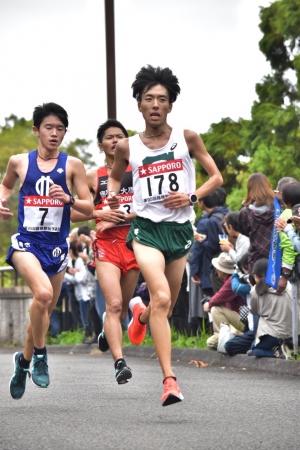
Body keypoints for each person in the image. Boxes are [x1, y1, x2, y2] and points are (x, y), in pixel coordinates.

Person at [107, 65, 223, 406]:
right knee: (161, 296)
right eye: (149, 99)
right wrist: (113, 195)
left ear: (170, 105)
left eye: (162, 99)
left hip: (180, 230)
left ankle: (139, 317)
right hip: (146, 230)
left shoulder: (186, 138)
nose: (155, 104)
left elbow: (215, 177)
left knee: (164, 306)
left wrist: (191, 196)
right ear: (139, 106)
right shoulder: (127, 147)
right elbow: (115, 179)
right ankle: (169, 381)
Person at [0, 102, 93, 400]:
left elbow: (89, 207)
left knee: (40, 315)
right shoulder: (19, 162)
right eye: (49, 128)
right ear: (36, 130)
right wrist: (1, 201)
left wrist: (67, 198)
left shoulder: (73, 165)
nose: (54, 134)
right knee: (42, 295)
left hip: (56, 249)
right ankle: (40, 355)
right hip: (26, 244)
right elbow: (5, 187)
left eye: (60, 129)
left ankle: (22, 362)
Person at [71, 119, 140, 384]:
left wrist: (126, 217)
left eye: (120, 136)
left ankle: (105, 334)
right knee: (112, 305)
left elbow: (152, 208)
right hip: (107, 246)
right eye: (109, 137)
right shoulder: (93, 176)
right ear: (101, 145)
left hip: (134, 244)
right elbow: (75, 214)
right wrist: (100, 213)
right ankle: (119, 363)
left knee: (120, 311)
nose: (115, 141)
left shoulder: (138, 170)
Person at [249, 258, 293, 358]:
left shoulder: (256, 291)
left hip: (274, 334)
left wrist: (252, 287)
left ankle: (277, 353)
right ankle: (285, 348)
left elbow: (253, 311)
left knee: (255, 350)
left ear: (256, 275)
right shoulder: (288, 284)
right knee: (252, 347)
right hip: (293, 332)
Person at [203, 252, 246, 349]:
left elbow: (217, 298)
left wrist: (208, 304)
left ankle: (221, 338)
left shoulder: (231, 280)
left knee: (215, 309)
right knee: (209, 342)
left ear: (222, 271)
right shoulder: (231, 278)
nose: (216, 270)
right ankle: (221, 339)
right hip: (240, 317)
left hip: (244, 320)